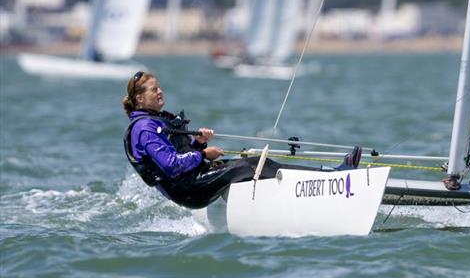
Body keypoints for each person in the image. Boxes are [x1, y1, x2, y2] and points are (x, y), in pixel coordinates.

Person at [122, 71, 362, 209]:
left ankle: (324, 176)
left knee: (254, 161)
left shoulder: (154, 121)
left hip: (190, 183)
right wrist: (204, 154)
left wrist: (199, 144)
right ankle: (329, 178)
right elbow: (172, 165)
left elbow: (178, 154)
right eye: (154, 90)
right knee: (251, 165)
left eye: (159, 87)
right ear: (140, 100)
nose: (160, 91)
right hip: (187, 190)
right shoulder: (145, 128)